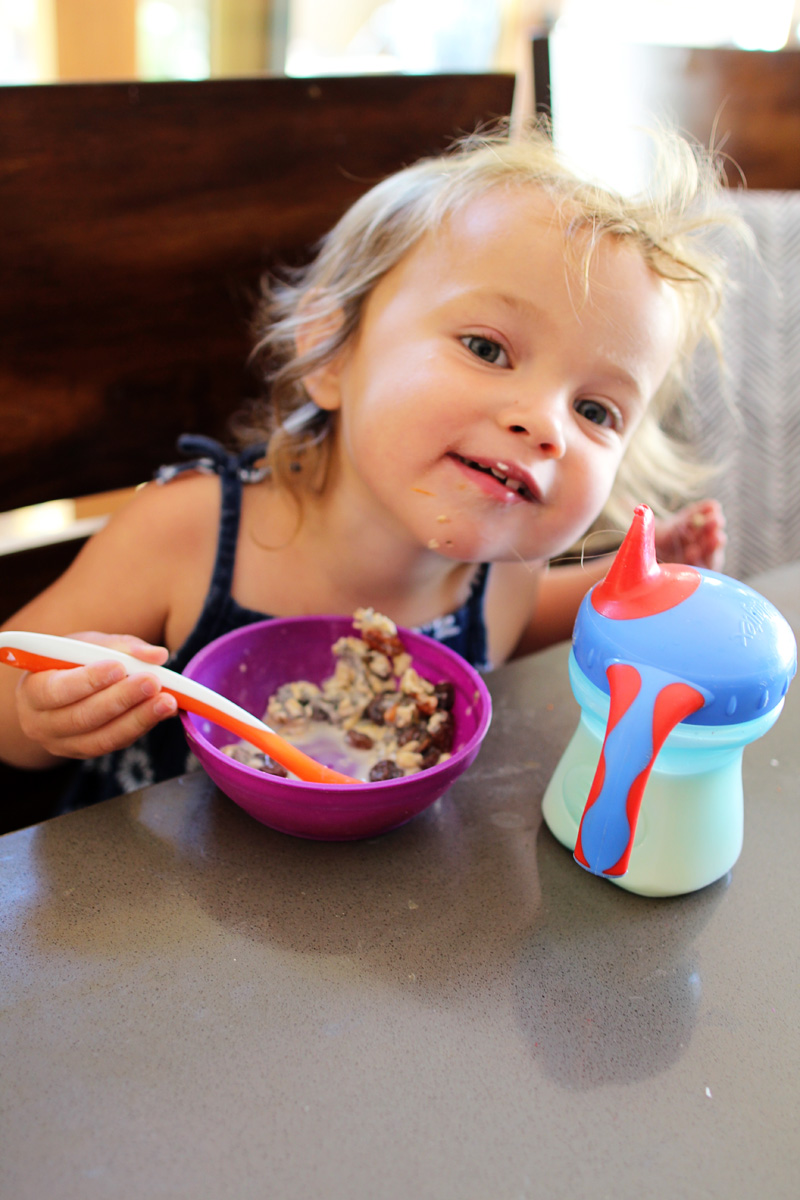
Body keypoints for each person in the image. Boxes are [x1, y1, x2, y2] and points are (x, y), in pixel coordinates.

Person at [0, 120, 734, 809]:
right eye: (486, 348)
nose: (546, 425)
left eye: (596, 411)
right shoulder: (185, 535)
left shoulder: (501, 572)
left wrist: (625, 585)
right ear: (332, 350)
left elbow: (521, 624)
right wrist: (43, 714)